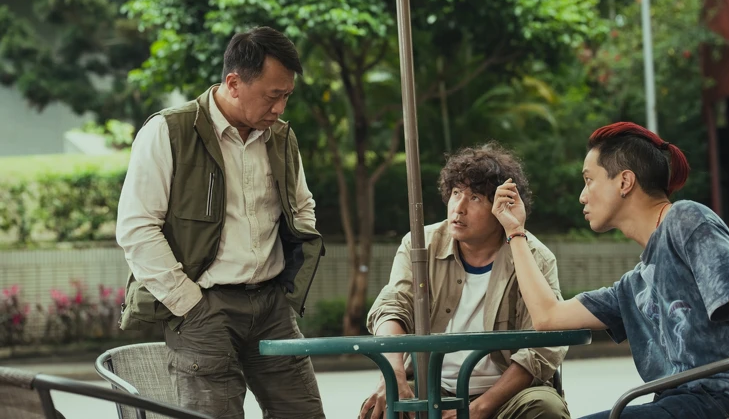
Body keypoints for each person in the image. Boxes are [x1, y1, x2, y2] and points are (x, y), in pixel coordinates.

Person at [495, 121, 729, 419]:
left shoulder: (686, 220)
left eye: (589, 180)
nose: (582, 196)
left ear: (624, 182)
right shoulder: (633, 286)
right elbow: (548, 316)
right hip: (679, 404)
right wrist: (515, 231)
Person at [116, 26, 326, 419]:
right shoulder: (168, 131)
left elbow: (302, 206)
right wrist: (189, 304)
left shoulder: (281, 137)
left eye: (287, 96)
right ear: (233, 83)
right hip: (203, 307)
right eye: (272, 96)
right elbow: (137, 228)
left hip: (272, 307)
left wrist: (285, 289)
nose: (280, 108)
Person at [360, 142, 570, 419]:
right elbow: (392, 307)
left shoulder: (533, 256)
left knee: (545, 408)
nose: (458, 208)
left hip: (507, 395)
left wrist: (477, 409)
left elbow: (544, 346)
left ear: (501, 207)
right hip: (430, 388)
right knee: (379, 408)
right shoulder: (421, 245)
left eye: (475, 198)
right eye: (456, 193)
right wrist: (394, 376)